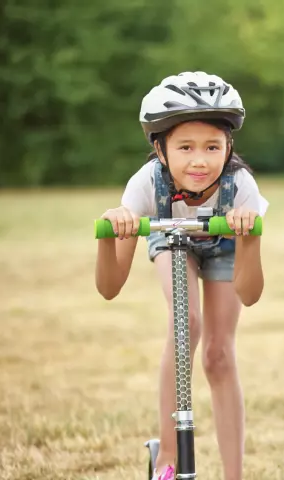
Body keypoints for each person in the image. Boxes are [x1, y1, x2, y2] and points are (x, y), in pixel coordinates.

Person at [94, 71, 268, 480]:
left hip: (226, 244)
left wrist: (249, 236)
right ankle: (168, 459)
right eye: (185, 147)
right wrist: (109, 234)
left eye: (212, 146)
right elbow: (109, 287)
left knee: (219, 355)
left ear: (229, 146)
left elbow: (250, 292)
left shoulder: (240, 186)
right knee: (185, 322)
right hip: (170, 239)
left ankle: (234, 475)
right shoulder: (145, 186)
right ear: (160, 148)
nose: (199, 160)